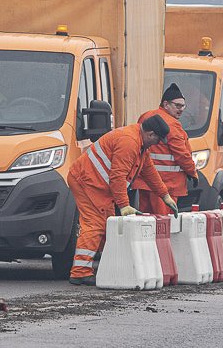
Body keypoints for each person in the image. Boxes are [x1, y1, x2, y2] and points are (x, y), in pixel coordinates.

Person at [67, 115, 179, 285]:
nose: (158, 143)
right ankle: (80, 272)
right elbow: (117, 176)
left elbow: (148, 171)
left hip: (97, 185)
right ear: (150, 134)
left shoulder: (140, 144)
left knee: (108, 226)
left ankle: (110, 267)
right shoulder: (129, 142)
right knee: (95, 225)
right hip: (87, 182)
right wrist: (124, 205)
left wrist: (164, 195)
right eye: (157, 139)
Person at [136, 83, 199, 213]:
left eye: (183, 106)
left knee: (145, 221)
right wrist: (193, 172)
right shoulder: (172, 125)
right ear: (166, 104)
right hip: (166, 185)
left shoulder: (145, 116)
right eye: (177, 106)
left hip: (144, 182)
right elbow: (182, 155)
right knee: (162, 223)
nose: (181, 109)